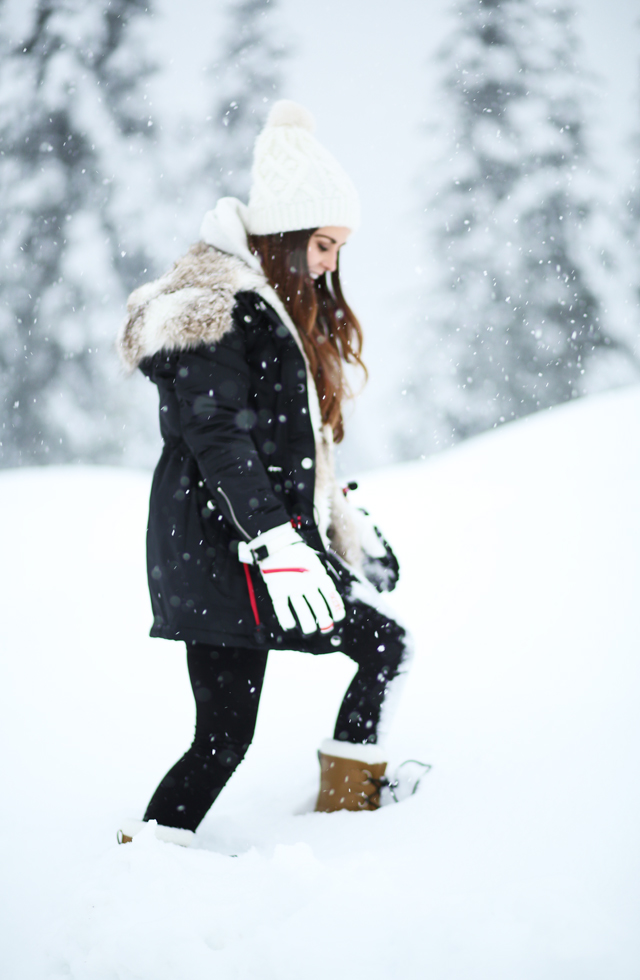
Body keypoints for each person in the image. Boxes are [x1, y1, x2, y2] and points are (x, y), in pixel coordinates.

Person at [116, 100, 413, 846]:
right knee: (238, 731)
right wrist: (277, 543)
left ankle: (158, 856)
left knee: (225, 738)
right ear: (284, 234)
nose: (331, 263)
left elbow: (285, 442)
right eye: (322, 243)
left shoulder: (273, 306)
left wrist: (342, 519)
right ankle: (347, 813)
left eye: (339, 246)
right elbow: (219, 438)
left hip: (251, 555)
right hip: (230, 555)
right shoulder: (213, 307)